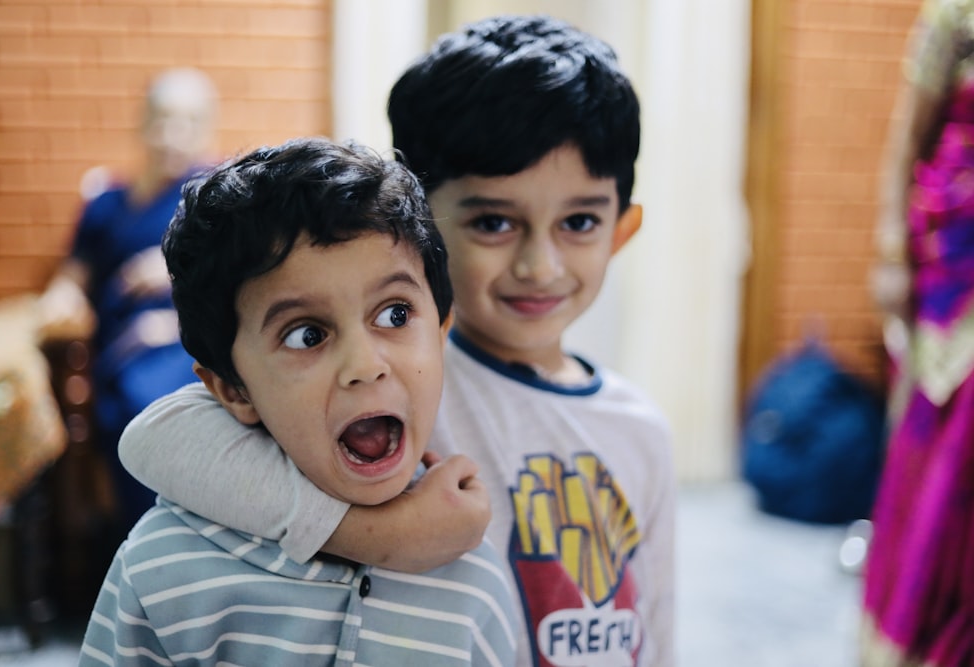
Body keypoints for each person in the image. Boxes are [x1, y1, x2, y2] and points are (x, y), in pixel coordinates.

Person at [120, 15, 675, 666]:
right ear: (420, 230)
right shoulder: (404, 372)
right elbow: (159, 439)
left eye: (579, 220)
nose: (539, 265)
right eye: (493, 221)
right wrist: (380, 533)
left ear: (621, 229)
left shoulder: (642, 430)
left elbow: (654, 627)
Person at [79, 137, 518, 666]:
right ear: (233, 388)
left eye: (396, 314)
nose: (365, 364)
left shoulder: (472, 576)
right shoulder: (161, 567)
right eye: (307, 334)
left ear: (442, 330)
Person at [37, 67, 219, 532]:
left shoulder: (215, 205)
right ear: (142, 123)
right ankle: (138, 537)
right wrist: (61, 297)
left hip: (188, 341)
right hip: (121, 347)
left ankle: (185, 534)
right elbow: (73, 274)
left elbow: (239, 284)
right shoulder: (106, 203)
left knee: (175, 404)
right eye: (161, 119)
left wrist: (173, 280)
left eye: (187, 122)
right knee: (130, 405)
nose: (171, 135)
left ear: (206, 130)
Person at [862, 1, 974, 665]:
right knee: (949, 451)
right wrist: (888, 250)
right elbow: (909, 132)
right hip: (957, 263)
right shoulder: (955, 12)